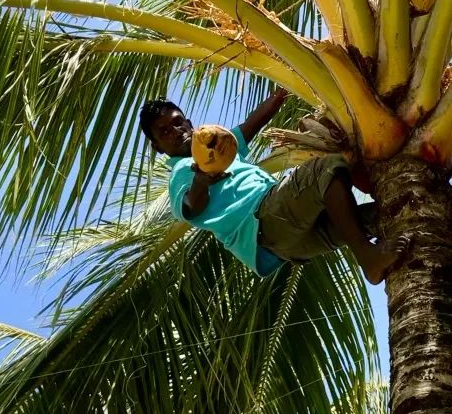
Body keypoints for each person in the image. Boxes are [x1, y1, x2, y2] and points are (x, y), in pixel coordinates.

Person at [139, 89, 409, 284]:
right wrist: (201, 180)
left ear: (189, 123)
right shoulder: (181, 172)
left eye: (177, 122)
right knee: (323, 169)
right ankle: (368, 257)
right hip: (265, 221)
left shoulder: (220, 148)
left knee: (385, 214)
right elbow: (190, 208)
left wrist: (280, 95)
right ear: (157, 147)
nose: (176, 131)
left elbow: (249, 126)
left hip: (287, 245)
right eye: (164, 132)